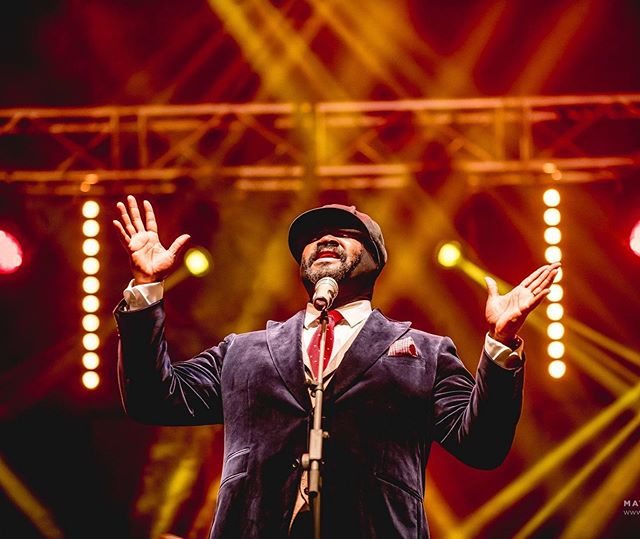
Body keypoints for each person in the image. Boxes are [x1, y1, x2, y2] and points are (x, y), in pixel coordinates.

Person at [112, 195, 560, 539]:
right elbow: (155, 398)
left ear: (375, 258)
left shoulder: (425, 351)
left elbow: (481, 444)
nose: (325, 239)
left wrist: (501, 344)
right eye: (313, 236)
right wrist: (145, 289)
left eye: (345, 232)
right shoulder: (243, 351)